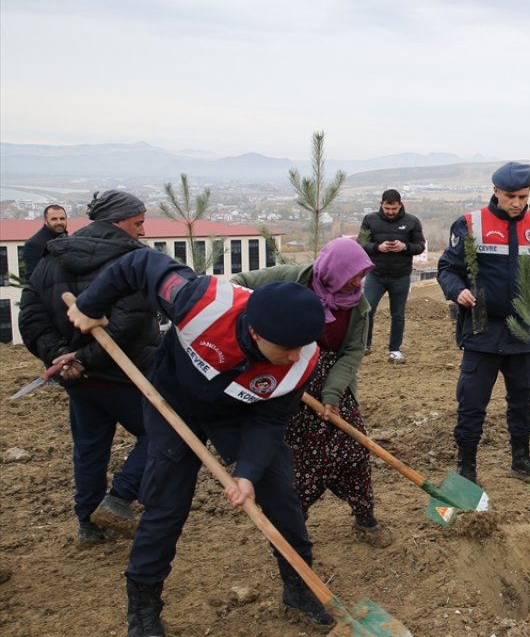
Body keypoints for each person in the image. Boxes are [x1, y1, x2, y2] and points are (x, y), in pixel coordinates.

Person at [66, 248, 335, 632]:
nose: (295, 357)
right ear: (256, 331)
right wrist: (92, 304)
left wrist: (247, 473)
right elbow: (140, 264)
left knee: (281, 499)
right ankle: (143, 607)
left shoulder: (302, 360)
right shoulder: (201, 303)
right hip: (174, 403)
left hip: (243, 415)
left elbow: (270, 419)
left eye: (301, 347)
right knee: (165, 504)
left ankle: (299, 585)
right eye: (286, 349)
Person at [232, 237, 392, 548]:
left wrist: (332, 396)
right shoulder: (292, 279)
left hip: (332, 379)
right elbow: (238, 284)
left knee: (354, 450)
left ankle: (364, 516)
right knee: (298, 460)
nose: (358, 282)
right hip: (286, 377)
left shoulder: (358, 305)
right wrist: (256, 333)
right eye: (352, 275)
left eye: (362, 275)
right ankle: (292, 527)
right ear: (333, 271)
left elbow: (353, 352)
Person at [18, 191, 157, 544]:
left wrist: (62, 357)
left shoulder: (54, 258)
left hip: (78, 379)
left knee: (90, 448)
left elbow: (31, 317)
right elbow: (131, 323)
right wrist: (78, 357)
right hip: (126, 375)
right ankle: (119, 498)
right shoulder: (135, 260)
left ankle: (89, 523)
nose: (142, 231)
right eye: (138, 223)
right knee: (163, 434)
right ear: (119, 221)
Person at [437, 162, 530, 484]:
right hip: (482, 330)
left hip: (524, 333)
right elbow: (447, 269)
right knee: (472, 401)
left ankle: (521, 458)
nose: (516, 203)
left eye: (523, 196)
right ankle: (467, 465)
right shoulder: (470, 225)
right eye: (510, 196)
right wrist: (457, 290)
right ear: (495, 191)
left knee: (523, 400)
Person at [359, 189, 425, 363]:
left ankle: (394, 350)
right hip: (376, 274)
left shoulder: (412, 221)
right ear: (381, 204)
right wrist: (377, 248)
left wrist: (404, 247)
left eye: (393, 209)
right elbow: (362, 243)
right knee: (367, 310)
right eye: (387, 208)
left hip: (400, 275)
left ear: (400, 205)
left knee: (398, 314)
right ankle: (365, 345)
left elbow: (420, 246)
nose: (390, 212)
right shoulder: (370, 219)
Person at [22, 203, 68, 276]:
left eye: (62, 218)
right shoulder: (34, 244)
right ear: (46, 220)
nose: (59, 222)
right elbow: (33, 276)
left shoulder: (69, 239)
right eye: (54, 219)